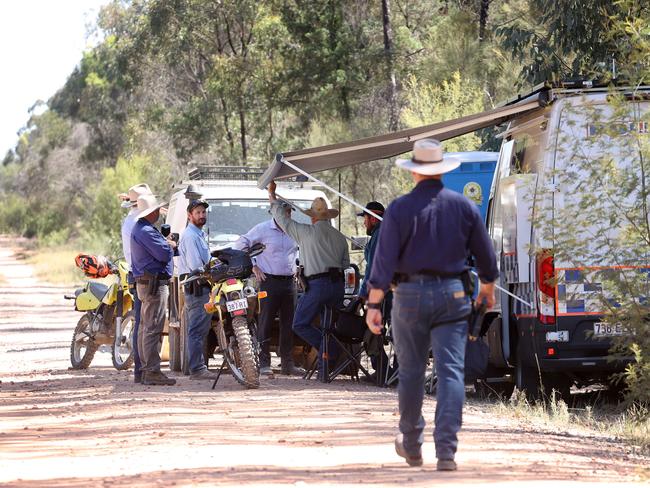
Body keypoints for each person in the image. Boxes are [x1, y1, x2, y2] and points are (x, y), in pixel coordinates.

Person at [365, 139, 498, 471]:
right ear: (441, 171)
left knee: (410, 371)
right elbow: (486, 257)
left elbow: (383, 263)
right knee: (451, 371)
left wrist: (373, 304)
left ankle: (411, 443)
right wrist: (487, 289)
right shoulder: (463, 207)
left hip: (408, 296)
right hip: (453, 295)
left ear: (414, 173)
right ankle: (447, 452)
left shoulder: (398, 209)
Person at [267, 182, 350, 378]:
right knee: (329, 325)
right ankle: (324, 368)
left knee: (300, 323)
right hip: (337, 285)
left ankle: (327, 349)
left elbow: (281, 219)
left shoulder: (306, 232)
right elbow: (346, 264)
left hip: (317, 285)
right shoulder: (340, 237)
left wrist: (272, 195)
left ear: (312, 217)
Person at [233, 202, 303, 377]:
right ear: (276, 213)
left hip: (289, 282)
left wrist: (299, 267)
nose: (288, 215)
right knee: (265, 322)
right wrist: (253, 266)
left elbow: (300, 250)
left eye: (289, 212)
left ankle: (287, 363)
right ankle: (264, 363)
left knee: (289, 323)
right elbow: (241, 243)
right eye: (285, 212)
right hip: (269, 281)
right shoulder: (262, 229)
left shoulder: (293, 229)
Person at [131, 193, 177, 386]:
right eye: (157, 210)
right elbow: (164, 253)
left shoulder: (141, 228)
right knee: (152, 328)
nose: (159, 213)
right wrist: (170, 245)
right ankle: (151, 371)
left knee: (145, 328)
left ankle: (145, 370)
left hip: (146, 282)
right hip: (154, 284)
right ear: (151, 212)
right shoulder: (146, 231)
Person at [177, 199, 219, 380]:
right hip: (197, 286)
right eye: (198, 213)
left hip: (202, 287)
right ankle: (197, 369)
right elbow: (196, 265)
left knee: (200, 329)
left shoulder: (198, 234)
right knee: (196, 330)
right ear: (189, 215)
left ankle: (198, 367)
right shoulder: (191, 236)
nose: (202, 215)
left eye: (203, 212)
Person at [356, 201, 393, 383]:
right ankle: (392, 373)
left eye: (365, 219)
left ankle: (383, 371)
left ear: (373, 217)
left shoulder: (379, 235)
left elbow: (373, 267)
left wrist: (363, 293)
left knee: (372, 331)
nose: (364, 223)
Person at [119, 183, 152, 384]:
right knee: (145, 323)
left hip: (136, 273)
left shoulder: (130, 221)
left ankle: (141, 370)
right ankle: (143, 370)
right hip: (144, 275)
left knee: (142, 322)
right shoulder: (137, 225)